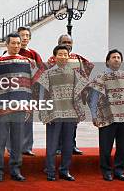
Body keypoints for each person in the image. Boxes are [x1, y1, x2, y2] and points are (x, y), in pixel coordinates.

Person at [0, 33, 41, 182]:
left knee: (17, 141)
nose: (17, 46)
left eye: (18, 43)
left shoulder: (27, 62)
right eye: (13, 43)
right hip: (2, 108)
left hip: (20, 107)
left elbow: (36, 83)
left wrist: (30, 104)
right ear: (6, 44)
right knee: (0, 141)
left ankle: (15, 170)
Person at [85, 49, 124, 182]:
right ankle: (106, 172)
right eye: (113, 57)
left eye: (118, 57)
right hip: (106, 117)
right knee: (105, 147)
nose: (116, 59)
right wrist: (94, 115)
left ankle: (119, 171)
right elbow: (93, 98)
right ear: (107, 61)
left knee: (122, 147)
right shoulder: (101, 77)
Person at [36, 45, 88, 182]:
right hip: (54, 114)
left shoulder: (75, 74)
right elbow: (42, 95)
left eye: (66, 54)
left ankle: (65, 170)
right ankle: (50, 171)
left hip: (70, 114)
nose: (63, 56)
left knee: (68, 145)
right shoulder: (47, 74)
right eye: (60, 54)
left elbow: (79, 94)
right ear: (54, 57)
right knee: (52, 145)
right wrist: (43, 112)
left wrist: (79, 113)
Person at [46, 34, 94, 155]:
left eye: (69, 42)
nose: (67, 44)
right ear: (59, 43)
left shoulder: (77, 58)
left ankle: (72, 145)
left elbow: (86, 70)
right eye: (64, 42)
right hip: (58, 97)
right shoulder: (53, 59)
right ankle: (57, 146)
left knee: (72, 123)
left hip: (74, 96)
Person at [16, 26, 44, 157]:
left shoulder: (33, 54)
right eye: (22, 35)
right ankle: (14, 147)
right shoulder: (10, 53)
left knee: (28, 119)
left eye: (27, 35)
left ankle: (27, 147)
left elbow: (41, 70)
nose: (25, 38)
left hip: (29, 91)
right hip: (15, 91)